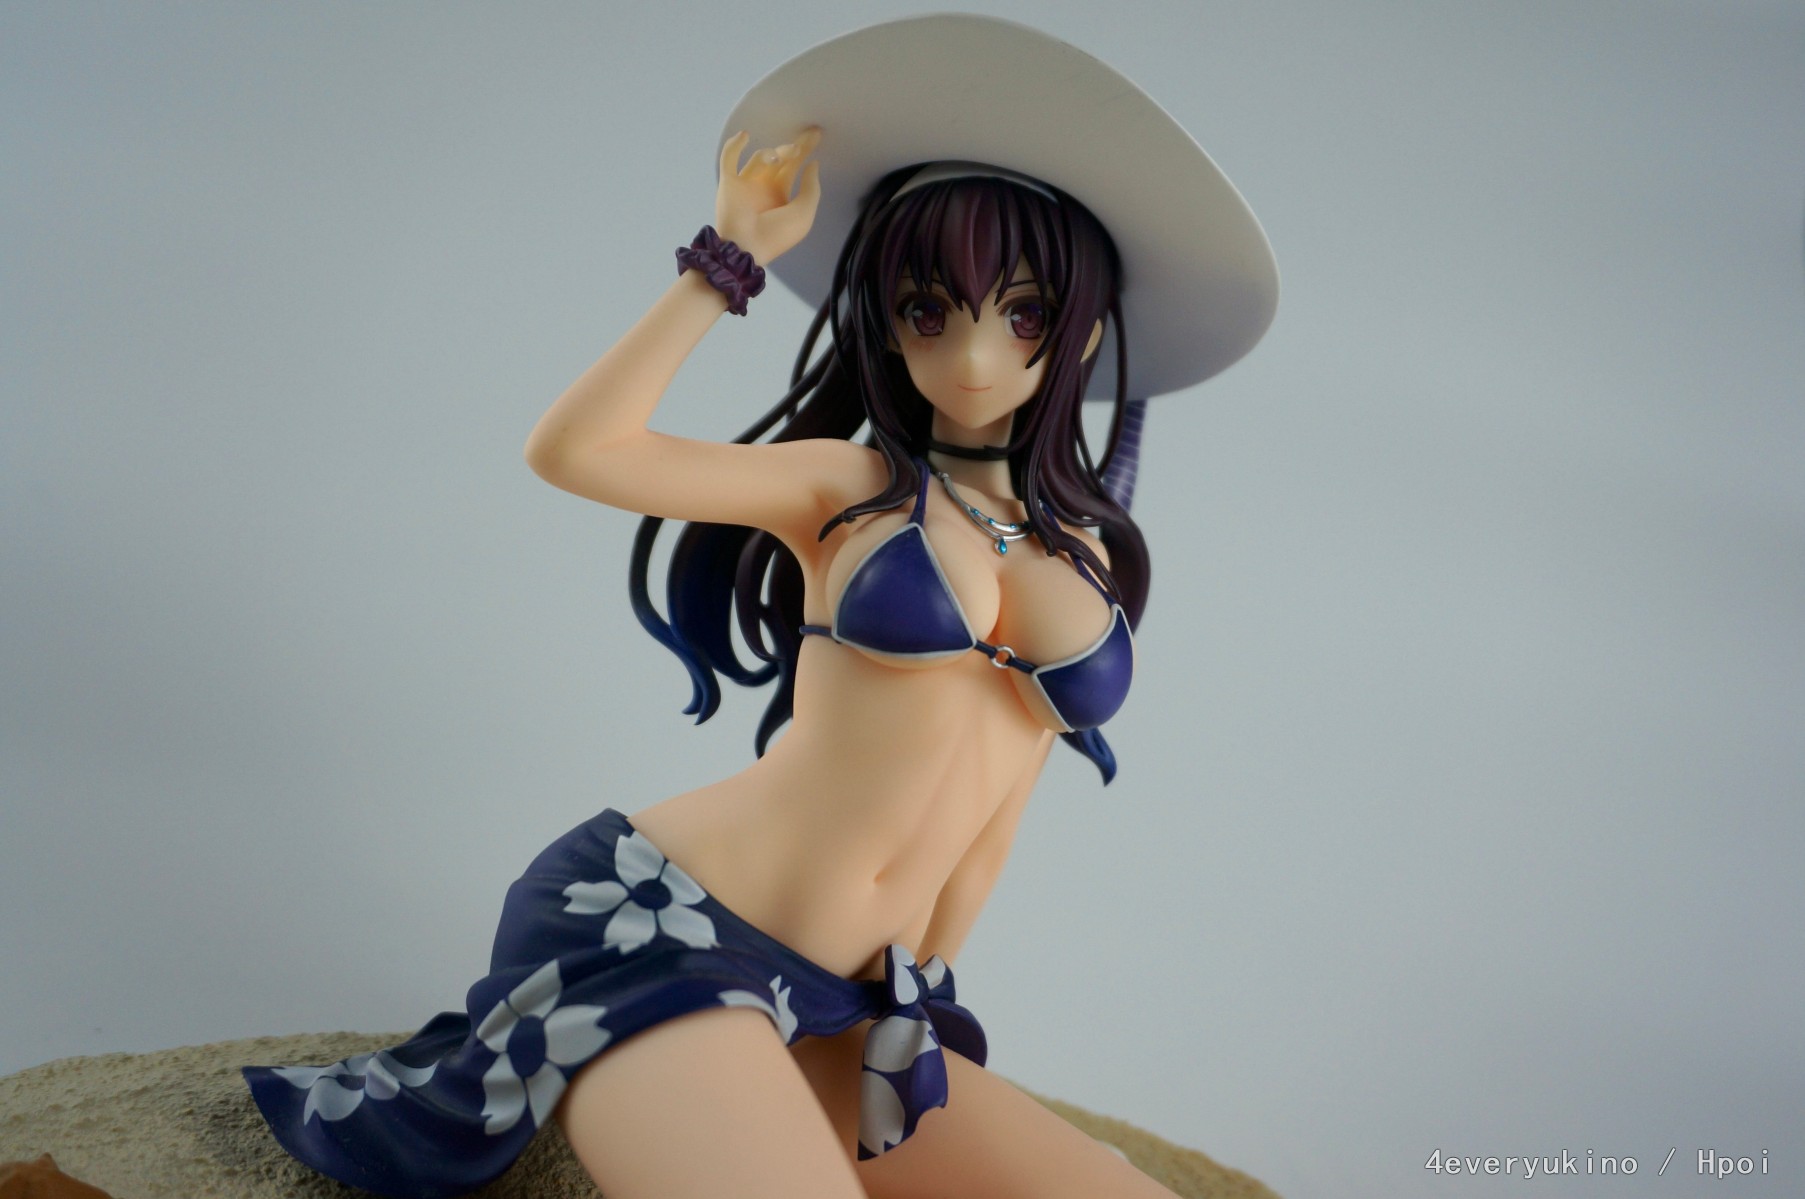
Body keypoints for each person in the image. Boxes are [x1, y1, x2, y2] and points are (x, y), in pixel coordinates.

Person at [242, 15, 1277, 1199]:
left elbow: (1000, 804)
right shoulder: (847, 484)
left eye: (1024, 314)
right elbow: (577, 449)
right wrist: (722, 262)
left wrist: (924, 985)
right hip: (661, 925)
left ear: (1080, 330)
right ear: (882, 317)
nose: (972, 356)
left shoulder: (1082, 551)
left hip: (845, 993)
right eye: (928, 309)